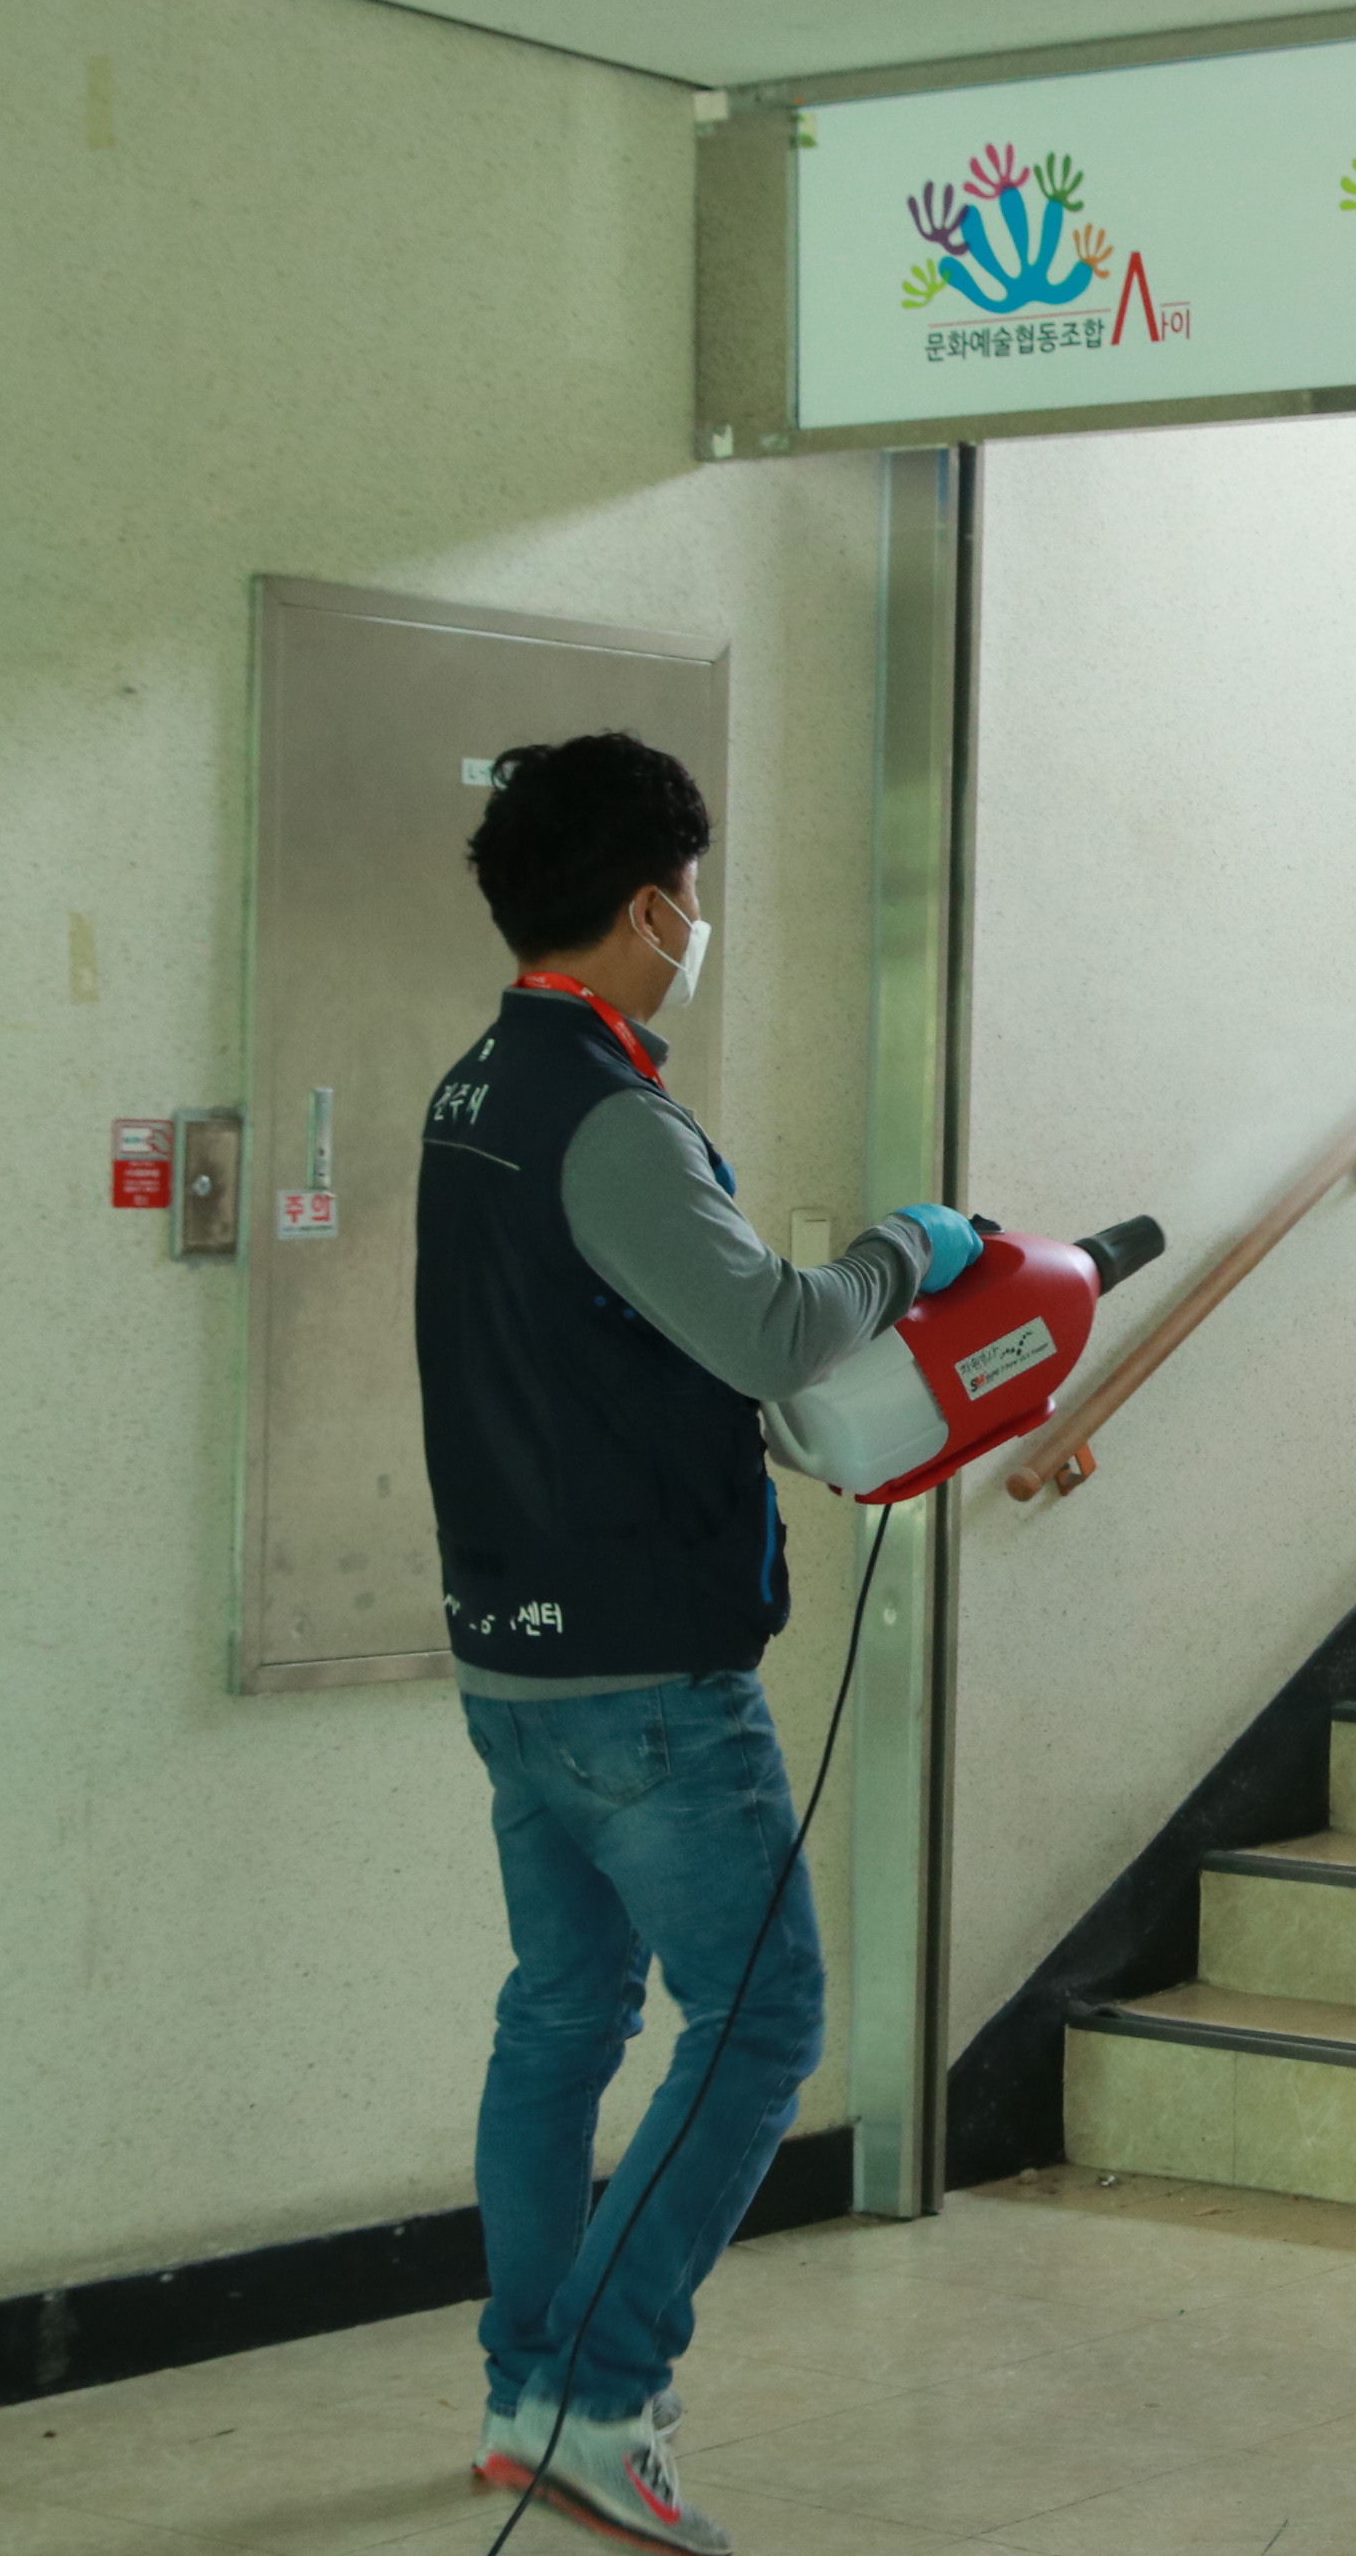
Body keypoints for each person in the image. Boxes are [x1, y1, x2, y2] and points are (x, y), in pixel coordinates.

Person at [417, 730, 978, 2555]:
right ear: (651, 906)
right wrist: (909, 1248)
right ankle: (602, 2397)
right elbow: (776, 1331)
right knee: (763, 2017)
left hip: (514, 1657)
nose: (695, 927)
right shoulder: (610, 1117)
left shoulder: (478, 1084)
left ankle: (525, 2392)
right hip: (648, 1675)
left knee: (564, 2012)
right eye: (690, 898)